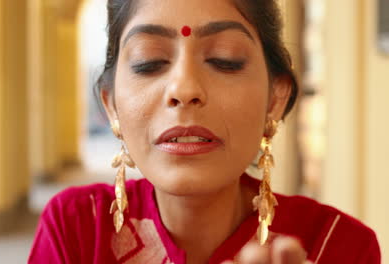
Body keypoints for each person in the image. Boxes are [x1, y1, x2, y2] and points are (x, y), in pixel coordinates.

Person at [28, 0, 381, 263]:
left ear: (275, 97)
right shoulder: (77, 228)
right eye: (149, 62)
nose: (184, 88)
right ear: (112, 104)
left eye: (224, 60)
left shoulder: (336, 246)